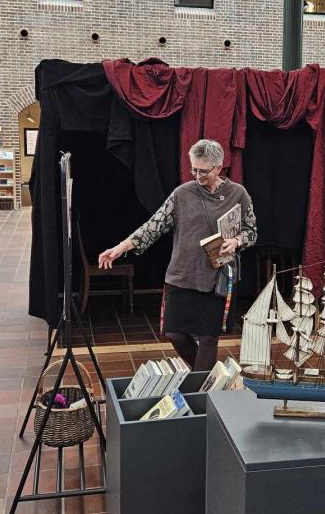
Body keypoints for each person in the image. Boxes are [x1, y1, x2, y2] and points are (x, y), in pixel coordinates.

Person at [98, 139, 257, 371]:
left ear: (219, 167)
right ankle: (211, 376)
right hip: (182, 275)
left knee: (208, 338)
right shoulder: (182, 194)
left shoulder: (238, 194)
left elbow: (251, 232)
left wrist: (236, 241)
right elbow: (153, 226)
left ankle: (202, 387)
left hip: (217, 278)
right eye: (194, 170)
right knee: (174, 333)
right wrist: (120, 247)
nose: (197, 176)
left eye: (203, 171)